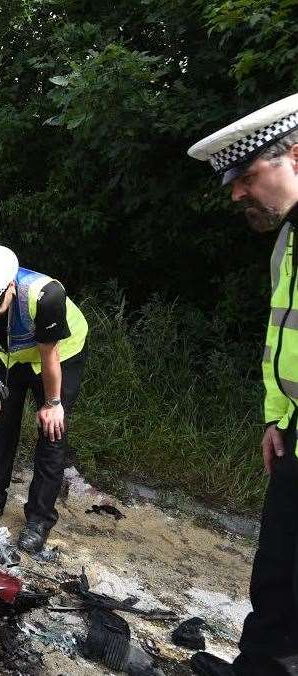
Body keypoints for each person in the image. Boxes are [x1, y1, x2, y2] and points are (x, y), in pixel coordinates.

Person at [188, 94, 298, 675]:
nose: (236, 193)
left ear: (296, 157)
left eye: (247, 175)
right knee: (276, 578)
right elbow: (282, 335)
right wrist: (277, 417)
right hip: (294, 439)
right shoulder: (288, 241)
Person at [0, 245, 89, 553]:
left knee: (52, 433)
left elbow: (48, 353)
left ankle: (39, 520)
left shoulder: (45, 295)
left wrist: (52, 404)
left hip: (59, 356)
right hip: (8, 352)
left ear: (10, 286)